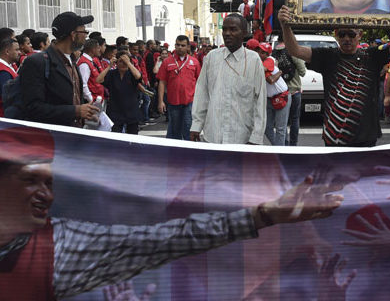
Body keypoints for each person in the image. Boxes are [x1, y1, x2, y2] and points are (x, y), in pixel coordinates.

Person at [0, 126, 344, 300]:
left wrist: (263, 216)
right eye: (32, 180)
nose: (47, 195)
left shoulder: (59, 247)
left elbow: (165, 239)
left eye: (50, 182)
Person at [279, 0, 390, 147]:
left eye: (351, 34)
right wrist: (285, 25)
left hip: (366, 135)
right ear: (336, 35)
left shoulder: (372, 55)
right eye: (342, 34)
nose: (346, 39)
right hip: (334, 135)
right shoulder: (328, 55)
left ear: (360, 35)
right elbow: (295, 50)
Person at [190, 14, 266, 144]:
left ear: (244, 33)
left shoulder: (254, 60)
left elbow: (260, 101)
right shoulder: (211, 58)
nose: (227, 33)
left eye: (233, 29)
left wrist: (256, 137)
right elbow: (202, 93)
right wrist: (196, 126)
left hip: (242, 139)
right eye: (224, 29)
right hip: (213, 137)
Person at [19, 12, 100, 127]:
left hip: (75, 135)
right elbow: (32, 108)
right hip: (53, 140)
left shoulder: (72, 60)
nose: (86, 36)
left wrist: (86, 114)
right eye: (84, 31)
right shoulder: (37, 62)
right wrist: (75, 111)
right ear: (73, 35)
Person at [157, 36, 201, 141]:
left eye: (183, 45)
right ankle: (174, 152)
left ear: (188, 47)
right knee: (175, 128)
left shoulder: (194, 62)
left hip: (190, 101)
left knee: (188, 127)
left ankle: (189, 151)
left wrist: (200, 101)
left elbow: (200, 83)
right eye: (177, 45)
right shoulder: (167, 62)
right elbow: (162, 82)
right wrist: (160, 101)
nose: (180, 47)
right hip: (173, 102)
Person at [272, 35, 307, 146]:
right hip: (294, 90)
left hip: (279, 93)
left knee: (282, 122)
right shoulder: (293, 52)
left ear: (278, 40)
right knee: (295, 119)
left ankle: (284, 144)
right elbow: (303, 72)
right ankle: (293, 144)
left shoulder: (273, 54)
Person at [97, 51, 142, 134]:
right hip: (115, 110)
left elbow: (138, 76)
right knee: (115, 137)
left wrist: (129, 63)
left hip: (131, 110)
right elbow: (98, 79)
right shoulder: (112, 74)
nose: (123, 64)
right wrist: (109, 66)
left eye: (125, 62)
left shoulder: (132, 73)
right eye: (121, 61)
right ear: (116, 62)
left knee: (133, 137)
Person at [255, 42, 291, 146]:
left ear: (268, 54)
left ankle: (280, 154)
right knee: (267, 127)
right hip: (269, 99)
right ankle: (280, 148)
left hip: (281, 96)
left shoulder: (269, 60)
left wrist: (279, 72)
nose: (259, 54)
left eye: (263, 52)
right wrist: (279, 72)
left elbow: (270, 80)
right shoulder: (262, 61)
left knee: (280, 129)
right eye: (258, 51)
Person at [76, 39, 104, 103]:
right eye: (98, 48)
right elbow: (83, 84)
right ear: (93, 49)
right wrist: (90, 99)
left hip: (96, 99)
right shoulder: (84, 64)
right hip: (91, 102)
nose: (99, 50)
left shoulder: (89, 61)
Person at [0, 38, 19, 117]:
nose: (19, 52)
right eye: (17, 50)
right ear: (7, 51)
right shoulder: (3, 72)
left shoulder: (7, 66)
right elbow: (9, 97)